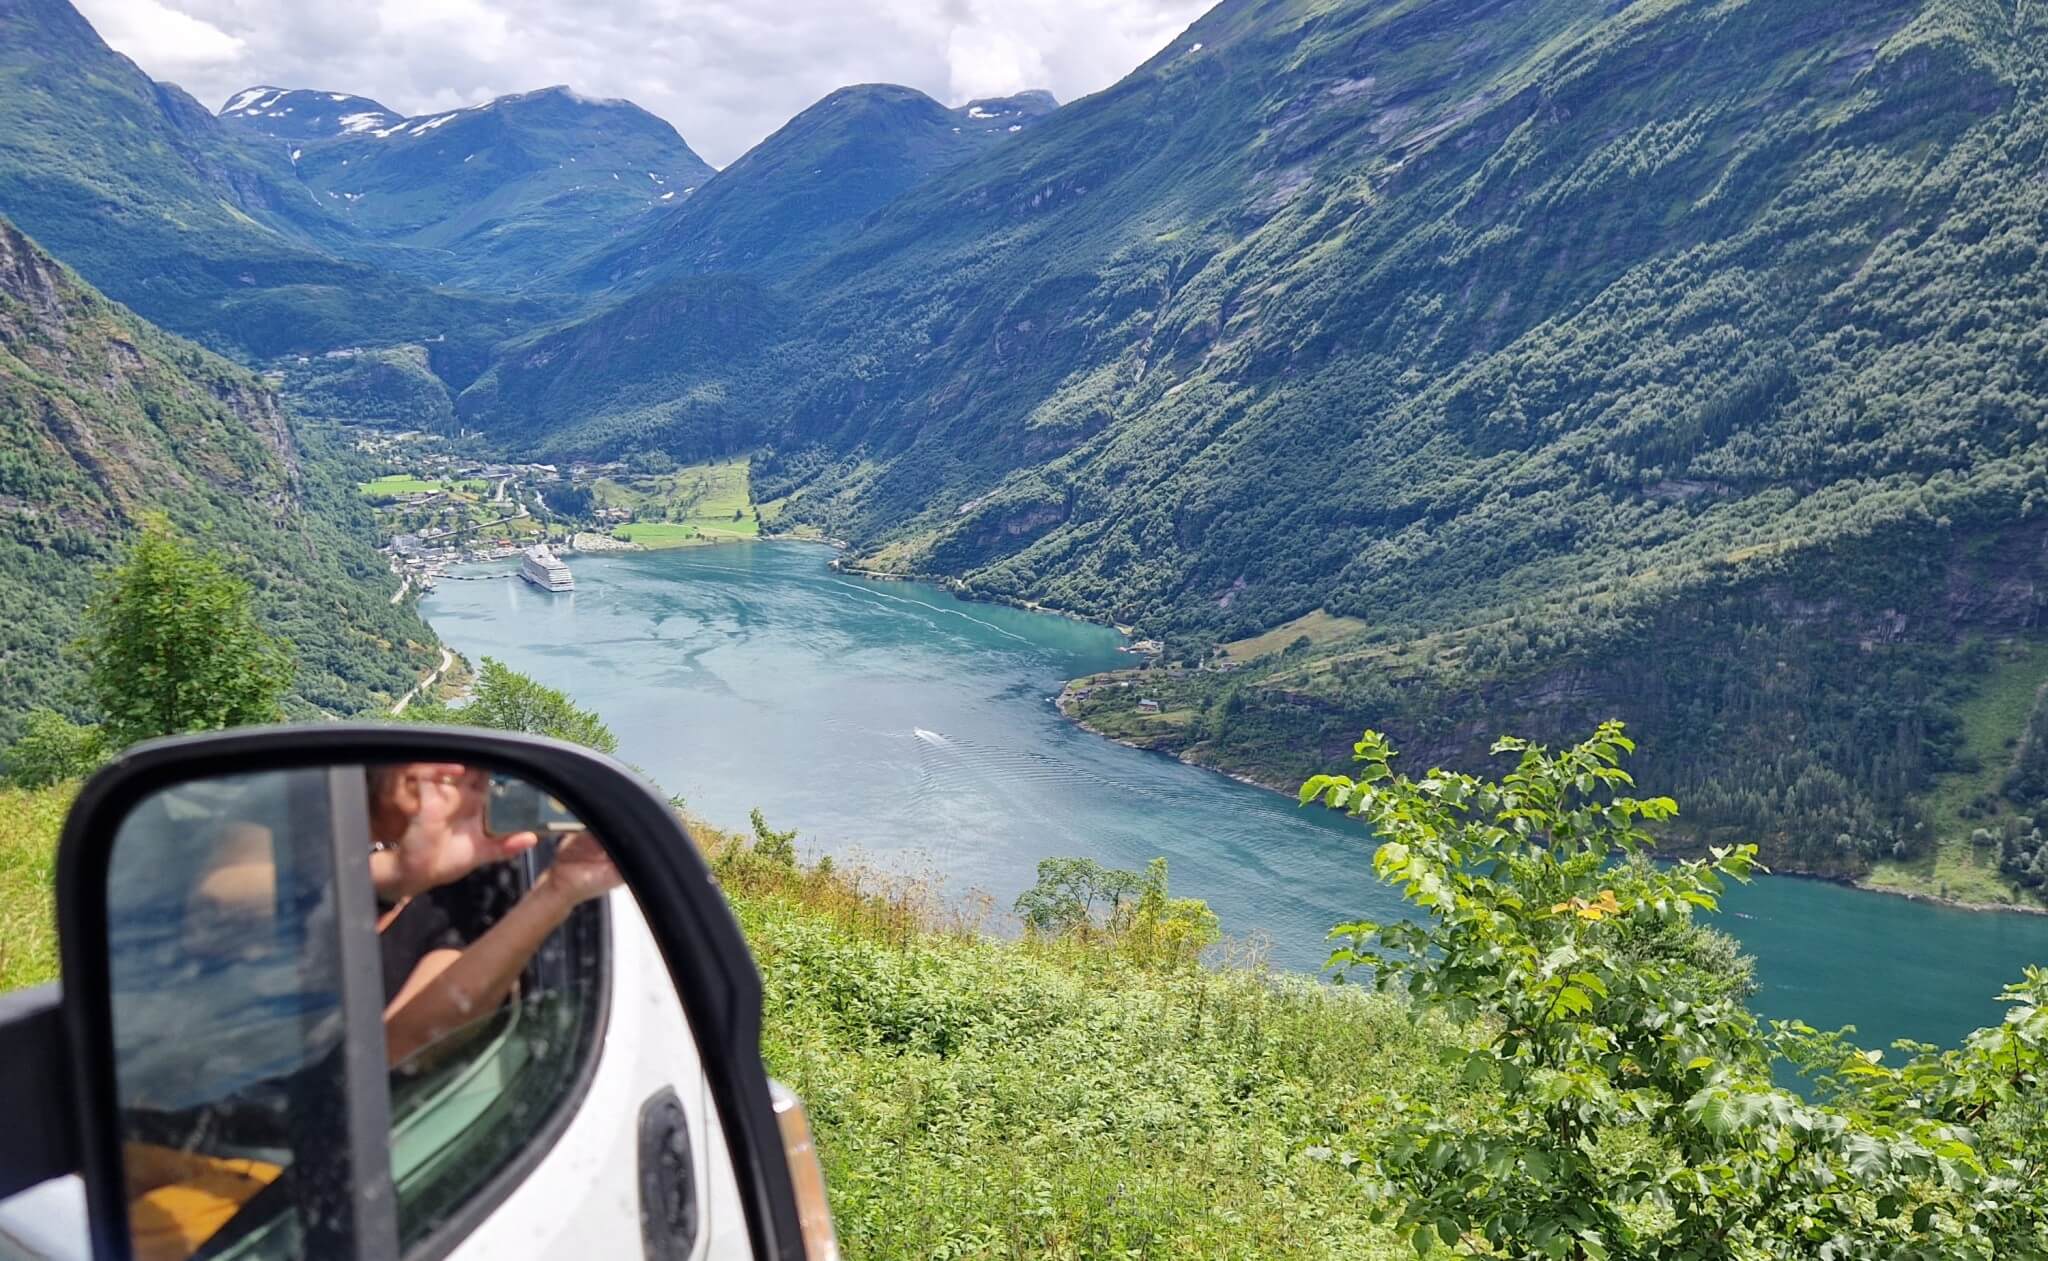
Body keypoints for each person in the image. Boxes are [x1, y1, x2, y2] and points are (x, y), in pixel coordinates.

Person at [366, 763, 622, 1066]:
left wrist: (556, 892)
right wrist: (395, 876)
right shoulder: (326, 840)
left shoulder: (474, 897)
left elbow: (399, 1047)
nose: (448, 792)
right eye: (449, 777)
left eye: (479, 785)